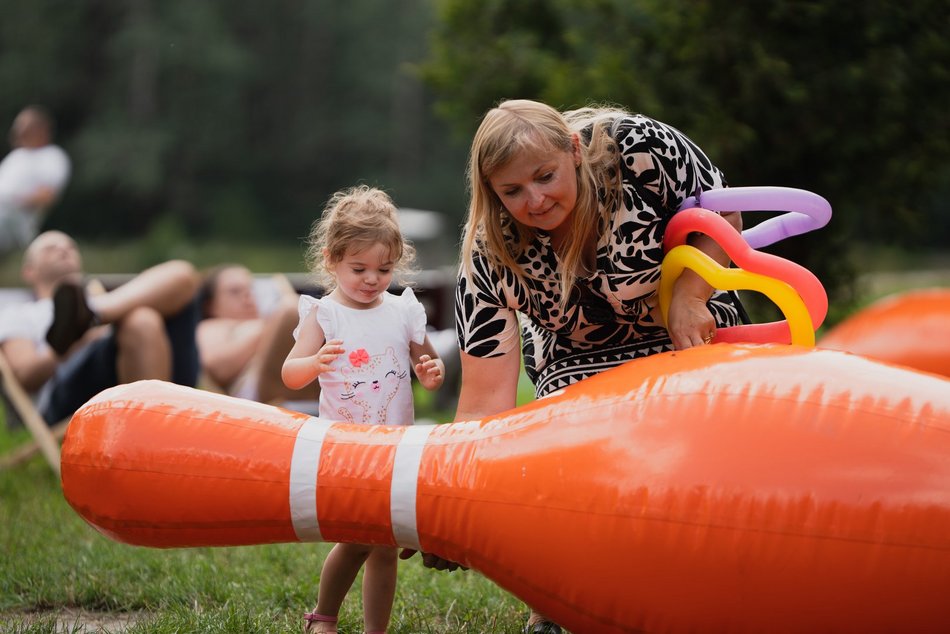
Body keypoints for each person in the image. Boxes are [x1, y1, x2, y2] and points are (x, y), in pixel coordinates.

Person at [410, 99, 746, 633]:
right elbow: (484, 403)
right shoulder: (489, 250)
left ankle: (717, 567)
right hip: (576, 358)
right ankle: (557, 598)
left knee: (700, 452)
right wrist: (452, 506)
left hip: (684, 323)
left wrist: (692, 290)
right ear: (490, 190)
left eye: (545, 177)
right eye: (512, 191)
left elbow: (723, 210)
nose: (535, 200)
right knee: (559, 454)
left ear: (574, 149)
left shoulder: (640, 149)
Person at [282, 185, 445, 634]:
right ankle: (324, 614)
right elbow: (290, 373)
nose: (372, 279)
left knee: (386, 546)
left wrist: (432, 373)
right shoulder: (325, 314)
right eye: (359, 268)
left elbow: (425, 361)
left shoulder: (401, 310)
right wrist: (313, 363)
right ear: (331, 258)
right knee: (355, 540)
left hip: (394, 447)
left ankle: (376, 628)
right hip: (344, 448)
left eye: (384, 269)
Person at [0, 230, 200, 425]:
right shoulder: (20, 314)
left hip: (153, 368)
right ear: (29, 271)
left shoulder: (113, 298)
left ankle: (92, 315)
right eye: (50, 248)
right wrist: (78, 340)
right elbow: (25, 375)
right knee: (141, 321)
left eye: (71, 247)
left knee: (182, 273)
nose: (63, 250)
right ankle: (153, 436)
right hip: (69, 396)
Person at [197, 263, 317, 405]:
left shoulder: (265, 320)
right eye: (235, 291)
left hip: (292, 380)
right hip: (252, 394)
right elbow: (219, 367)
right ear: (211, 305)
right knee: (291, 309)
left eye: (251, 289)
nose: (247, 296)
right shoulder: (213, 326)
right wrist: (269, 325)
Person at [0, 106, 72, 257]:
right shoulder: (15, 157)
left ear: (40, 130)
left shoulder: (52, 157)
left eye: (22, 127)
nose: (17, 132)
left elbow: (46, 197)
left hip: (15, 223)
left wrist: (10, 201)